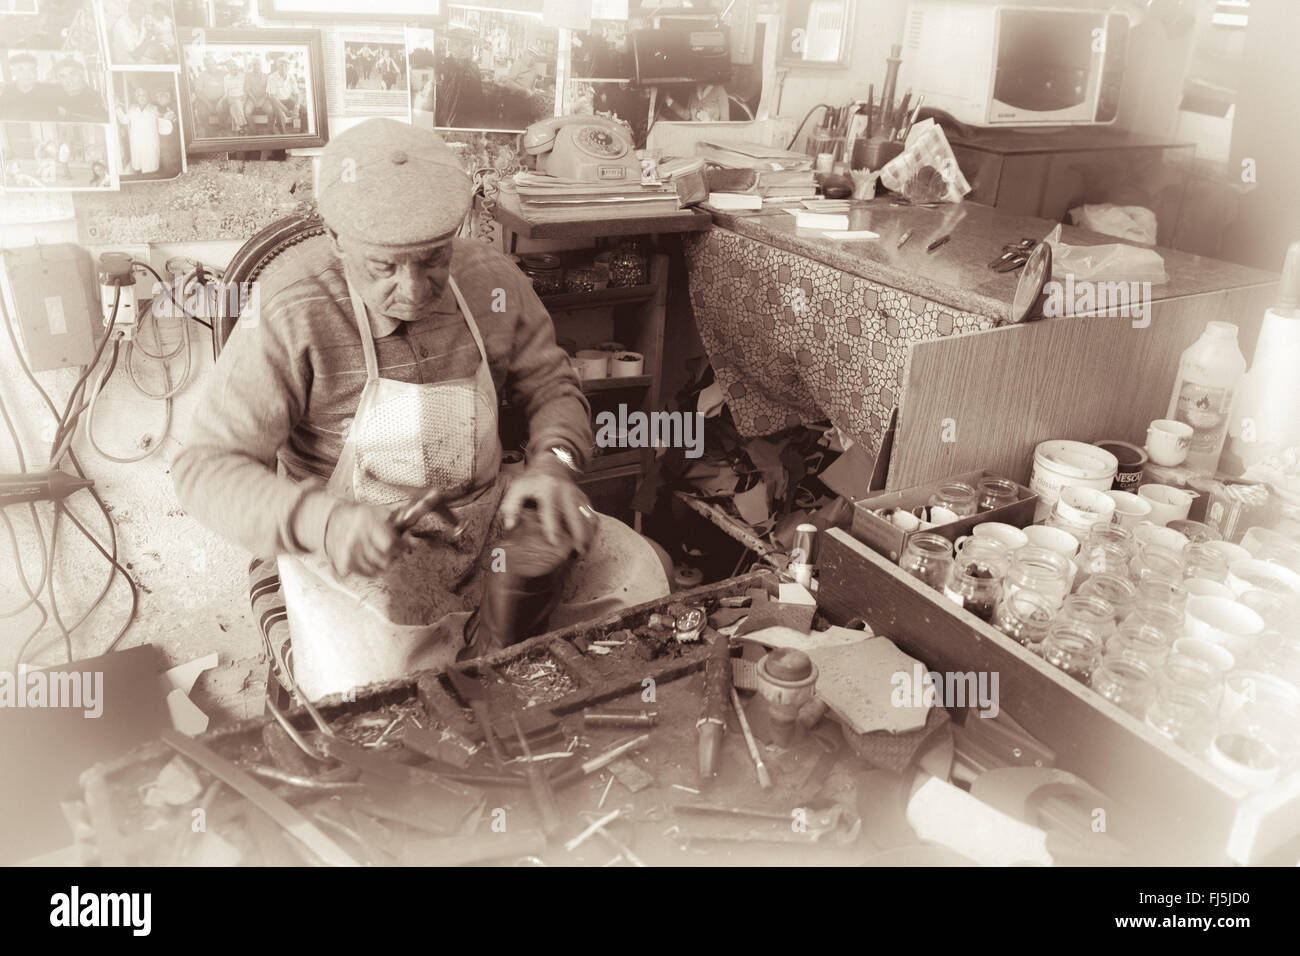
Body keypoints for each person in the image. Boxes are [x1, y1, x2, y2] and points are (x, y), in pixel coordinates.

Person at [172, 119, 599, 698]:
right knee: (380, 694)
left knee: (632, 587)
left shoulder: (493, 281)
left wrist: (555, 463)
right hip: (349, 547)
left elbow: (553, 386)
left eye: (433, 259)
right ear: (335, 237)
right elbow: (204, 468)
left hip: (481, 520)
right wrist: (320, 521)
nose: (416, 288)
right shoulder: (289, 306)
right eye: (384, 266)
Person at [116, 84, 161, 174]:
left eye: (144, 95)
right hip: (137, 141)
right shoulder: (132, 109)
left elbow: (162, 123)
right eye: (139, 95)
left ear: (148, 96)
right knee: (138, 166)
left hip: (150, 142)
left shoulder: (154, 108)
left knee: (151, 166)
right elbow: (124, 120)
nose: (141, 97)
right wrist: (117, 108)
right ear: (136, 97)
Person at [0, 52, 57, 121]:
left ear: (36, 71)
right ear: (13, 72)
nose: (27, 74)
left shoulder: (47, 93)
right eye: (21, 69)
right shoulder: (6, 91)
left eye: (31, 69)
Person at [52, 58, 108, 122]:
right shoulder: (55, 100)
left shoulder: (99, 98)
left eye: (73, 74)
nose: (69, 80)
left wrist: (68, 115)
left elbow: (103, 120)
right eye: (62, 76)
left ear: (82, 74)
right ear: (57, 78)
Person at [110, 0, 155, 65]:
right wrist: (148, 37)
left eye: (142, 12)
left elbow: (143, 44)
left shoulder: (142, 19)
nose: (139, 15)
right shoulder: (121, 26)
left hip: (141, 57)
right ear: (129, 10)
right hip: (126, 64)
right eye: (135, 10)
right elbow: (135, 56)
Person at [192, 53, 227, 133]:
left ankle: (223, 129)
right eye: (208, 64)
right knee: (202, 112)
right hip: (205, 100)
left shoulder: (223, 73)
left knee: (222, 109)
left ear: (216, 64)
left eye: (213, 64)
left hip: (220, 99)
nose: (211, 66)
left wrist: (221, 101)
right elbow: (198, 92)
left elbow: (230, 87)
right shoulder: (201, 76)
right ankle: (208, 132)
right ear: (205, 65)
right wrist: (208, 104)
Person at [267, 57, 300, 131]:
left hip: (288, 99)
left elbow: (297, 94)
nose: (283, 67)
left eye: (286, 65)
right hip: (276, 101)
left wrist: (296, 107)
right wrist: (284, 109)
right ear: (277, 66)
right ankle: (283, 134)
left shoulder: (291, 76)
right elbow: (272, 96)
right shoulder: (272, 77)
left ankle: (303, 132)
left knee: (303, 110)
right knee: (281, 116)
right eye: (281, 65)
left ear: (289, 67)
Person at [153, 85, 181, 173]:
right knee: (166, 159)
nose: (158, 99)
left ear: (167, 95)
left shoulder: (176, 105)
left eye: (160, 96)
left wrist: (175, 118)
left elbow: (183, 122)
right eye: (156, 97)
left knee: (175, 158)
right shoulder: (156, 108)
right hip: (163, 142)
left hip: (175, 141)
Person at [223, 57, 246, 132]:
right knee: (236, 103)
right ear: (228, 68)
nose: (233, 67)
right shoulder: (226, 78)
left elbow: (246, 89)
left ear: (237, 66)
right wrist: (230, 99)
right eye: (230, 66)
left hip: (242, 97)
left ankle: (239, 126)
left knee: (236, 105)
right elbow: (226, 91)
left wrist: (244, 98)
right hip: (231, 98)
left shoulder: (243, 76)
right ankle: (242, 125)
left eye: (234, 65)